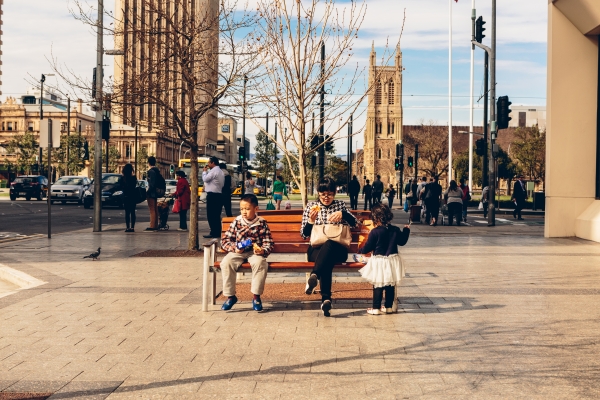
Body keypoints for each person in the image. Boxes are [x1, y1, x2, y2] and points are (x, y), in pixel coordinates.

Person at [301, 177, 358, 317]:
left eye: (330, 194)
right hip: (316, 249)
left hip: (338, 248)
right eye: (323, 194)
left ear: (334, 193)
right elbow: (304, 234)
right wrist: (310, 221)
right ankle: (326, 299)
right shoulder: (311, 207)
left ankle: (315, 276)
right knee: (326, 258)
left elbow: (355, 224)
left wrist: (343, 214)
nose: (326, 197)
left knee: (330, 244)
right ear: (318, 193)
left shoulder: (340, 205)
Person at [219, 194, 274, 312]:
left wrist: (262, 250)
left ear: (256, 209)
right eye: (242, 209)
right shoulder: (237, 222)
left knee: (260, 264)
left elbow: (268, 242)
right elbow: (225, 240)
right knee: (226, 262)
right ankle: (230, 296)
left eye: (247, 209)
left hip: (255, 253)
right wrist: (234, 248)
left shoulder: (262, 223)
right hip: (238, 251)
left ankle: (256, 297)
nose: (244, 212)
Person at [357, 204, 410, 315]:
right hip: (392, 261)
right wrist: (406, 230)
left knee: (378, 284)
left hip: (379, 261)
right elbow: (402, 242)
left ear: (375, 218)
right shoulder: (395, 230)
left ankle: (376, 308)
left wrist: (360, 250)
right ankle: (388, 307)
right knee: (390, 284)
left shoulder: (375, 232)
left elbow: (368, 247)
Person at [202, 156, 224, 238]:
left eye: (209, 162)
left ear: (213, 163)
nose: (208, 164)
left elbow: (205, 179)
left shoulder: (213, 171)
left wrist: (204, 172)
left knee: (211, 215)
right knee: (216, 215)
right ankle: (217, 231)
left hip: (212, 195)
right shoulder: (220, 171)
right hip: (218, 194)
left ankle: (213, 232)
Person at [145, 156, 164, 232]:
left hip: (152, 193)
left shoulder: (151, 171)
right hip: (155, 192)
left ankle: (152, 225)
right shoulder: (157, 170)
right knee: (155, 209)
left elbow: (152, 184)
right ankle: (155, 224)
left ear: (148, 162)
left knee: (152, 209)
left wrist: (148, 191)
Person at [119, 163, 138, 233]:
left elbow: (120, 186)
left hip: (126, 196)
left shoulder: (123, 178)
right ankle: (132, 227)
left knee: (127, 213)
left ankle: (127, 227)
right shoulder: (133, 178)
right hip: (133, 196)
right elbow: (134, 186)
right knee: (133, 212)